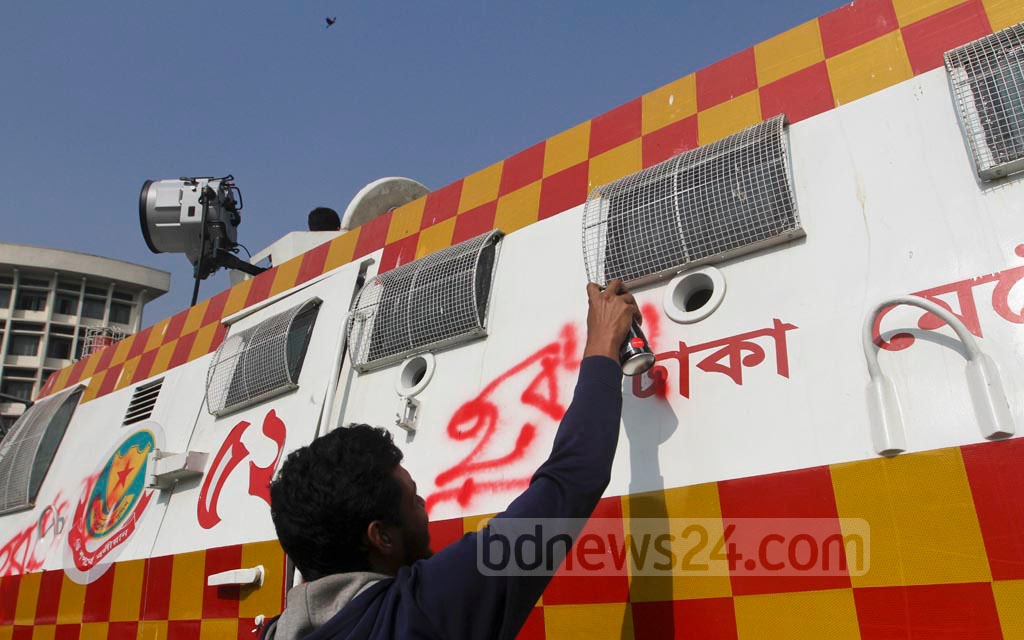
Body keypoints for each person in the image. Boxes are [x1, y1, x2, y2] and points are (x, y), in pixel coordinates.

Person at [264, 280, 640, 640]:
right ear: (381, 537)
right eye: (412, 499)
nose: (424, 507)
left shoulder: (275, 631)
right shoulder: (420, 612)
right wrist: (604, 344)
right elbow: (571, 479)